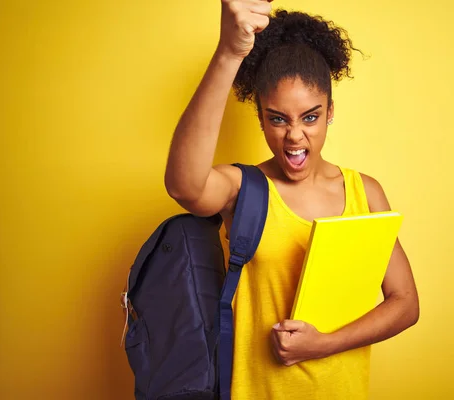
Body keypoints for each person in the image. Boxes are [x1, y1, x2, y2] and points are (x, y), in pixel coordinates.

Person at [164, 1, 420, 398]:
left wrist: (323, 344)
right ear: (261, 117)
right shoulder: (244, 189)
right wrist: (230, 51)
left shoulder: (363, 191)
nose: (295, 136)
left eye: (311, 117)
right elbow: (185, 186)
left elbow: (405, 303)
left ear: (330, 112)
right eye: (278, 119)